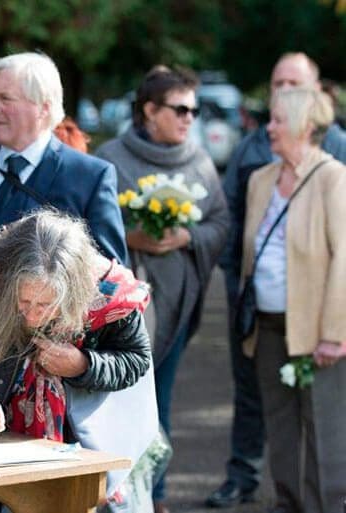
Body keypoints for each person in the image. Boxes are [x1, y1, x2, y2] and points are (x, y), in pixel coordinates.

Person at [0, 210, 151, 511]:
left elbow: (135, 359)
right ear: (4, 280)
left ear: (77, 291)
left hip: (81, 443)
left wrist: (82, 365)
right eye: (23, 302)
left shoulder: (109, 292)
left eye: (46, 305)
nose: (32, 315)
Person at [208, 52, 346, 508]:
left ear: (306, 125)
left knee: (325, 433)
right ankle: (288, 504)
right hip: (265, 327)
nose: (269, 127)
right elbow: (245, 251)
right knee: (281, 429)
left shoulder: (334, 180)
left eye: (279, 121)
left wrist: (335, 334)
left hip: (316, 332)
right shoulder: (261, 179)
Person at [96, 65, 229, 513]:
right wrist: (130, 238)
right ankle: (112, 494)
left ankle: (156, 495)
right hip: (120, 311)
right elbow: (89, 228)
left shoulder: (200, 161)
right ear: (150, 111)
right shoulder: (112, 157)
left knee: (161, 401)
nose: (191, 117)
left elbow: (221, 223)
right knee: (113, 405)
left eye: (194, 109)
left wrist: (186, 237)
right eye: (180, 109)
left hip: (178, 302)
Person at [0, 52, 128, 305]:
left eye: (5, 98)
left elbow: (111, 276)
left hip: (42, 340)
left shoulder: (90, 177)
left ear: (44, 107)